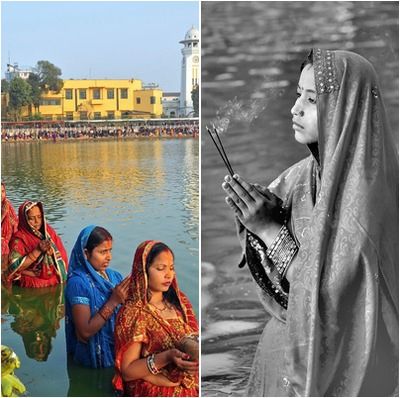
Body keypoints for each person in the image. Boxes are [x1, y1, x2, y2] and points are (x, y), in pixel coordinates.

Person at [222, 48, 398, 396]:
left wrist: (270, 231)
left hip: (340, 371)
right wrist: (254, 218)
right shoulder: (297, 179)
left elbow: (332, 304)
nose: (295, 108)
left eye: (312, 99)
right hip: (282, 360)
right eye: (298, 94)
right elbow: (283, 287)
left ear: (345, 110)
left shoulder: (367, 199)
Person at [113, 240, 199, 397]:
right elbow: (127, 372)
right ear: (143, 271)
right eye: (160, 269)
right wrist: (166, 357)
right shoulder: (133, 313)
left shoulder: (181, 303)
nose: (169, 275)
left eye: (171, 268)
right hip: (155, 390)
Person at [65, 225, 130, 368]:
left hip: (117, 353)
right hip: (91, 360)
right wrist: (113, 302)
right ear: (86, 253)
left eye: (110, 251)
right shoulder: (77, 283)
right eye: (102, 252)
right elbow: (85, 332)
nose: (109, 257)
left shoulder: (114, 276)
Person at [6, 201, 68, 288]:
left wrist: (51, 252)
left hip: (53, 279)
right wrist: (37, 251)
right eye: (32, 218)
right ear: (25, 220)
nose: (37, 221)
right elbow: (12, 267)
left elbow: (61, 255)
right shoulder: (19, 239)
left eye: (39, 217)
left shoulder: (49, 232)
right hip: (32, 283)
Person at [1, 183, 18, 270]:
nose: (1, 195)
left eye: (3, 191)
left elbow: (15, 224)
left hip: (7, 242)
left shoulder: (7, 205)